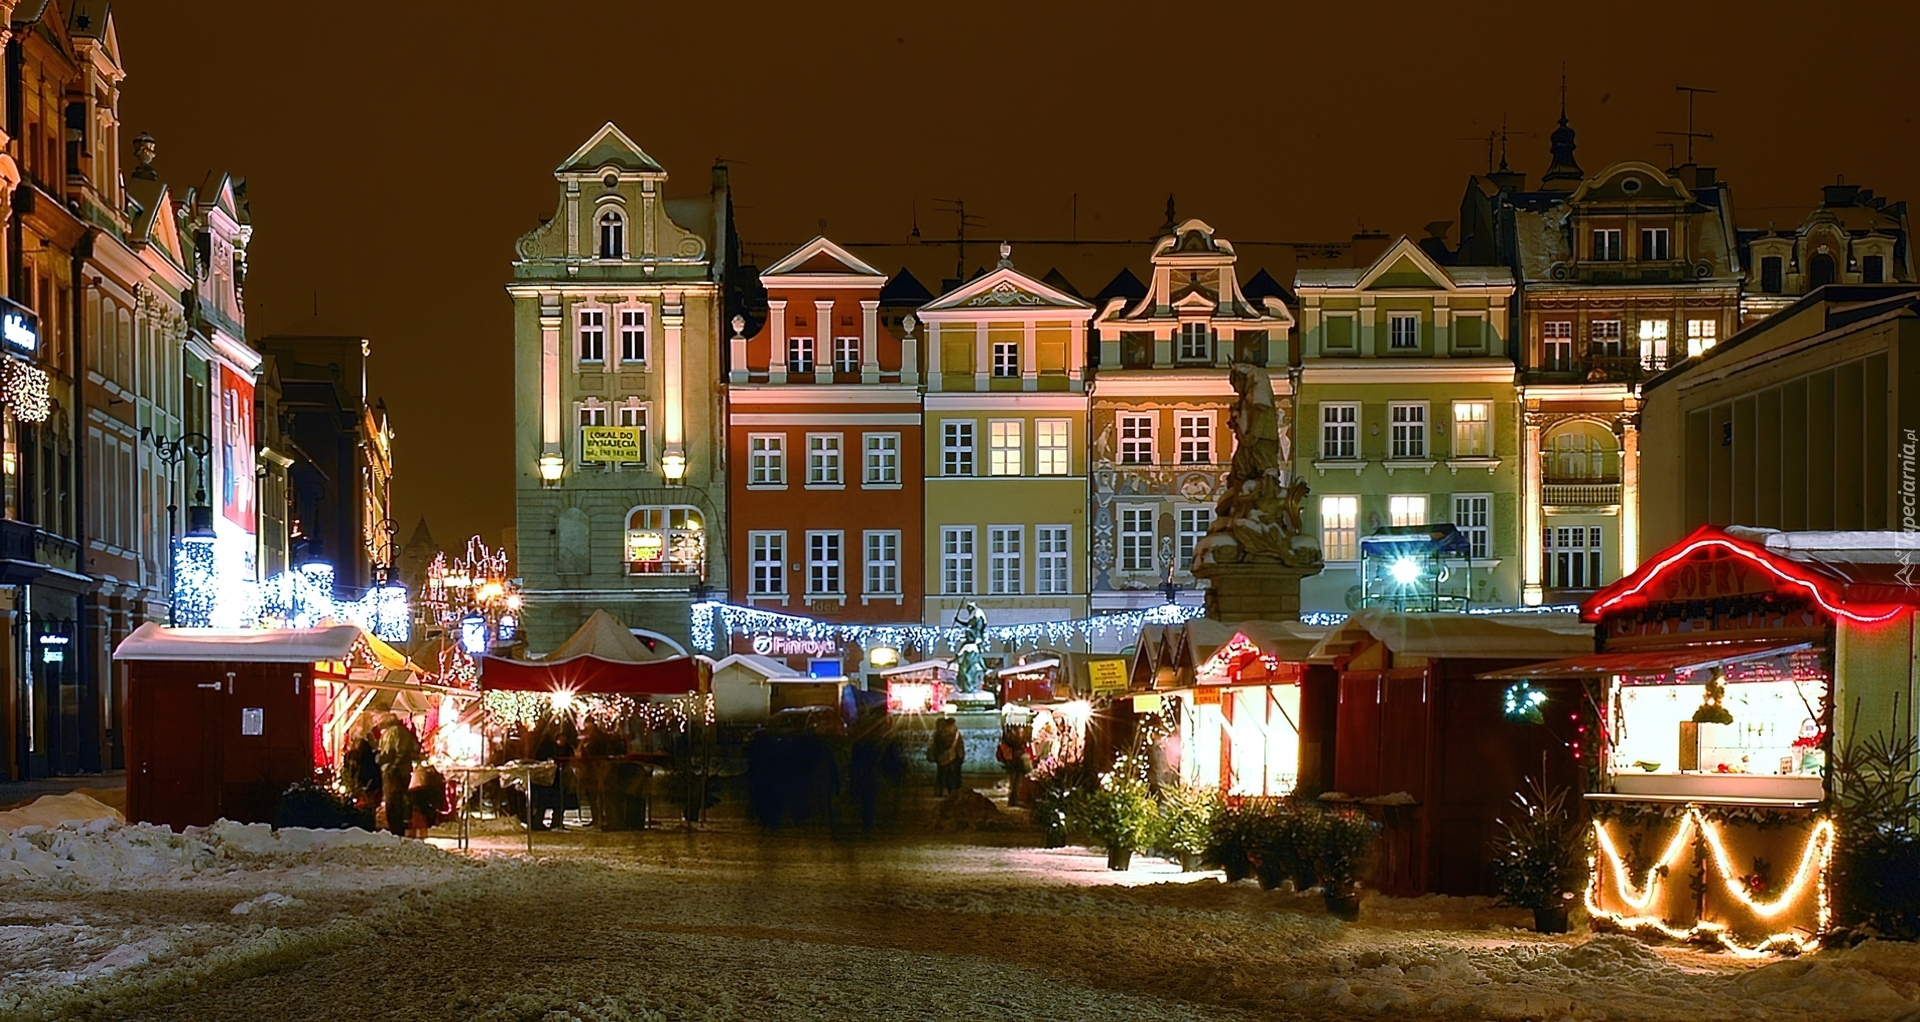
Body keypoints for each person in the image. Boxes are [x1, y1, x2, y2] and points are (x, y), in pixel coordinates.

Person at [374, 714, 422, 837]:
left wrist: (392, 767)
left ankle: (397, 830)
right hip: (395, 771)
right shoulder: (394, 733)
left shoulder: (396, 733)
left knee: (394, 802)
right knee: (394, 801)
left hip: (396, 772)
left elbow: (401, 752)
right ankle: (396, 829)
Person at [996, 723, 1033, 807]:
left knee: (1015, 780)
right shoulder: (1011, 735)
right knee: (1016, 780)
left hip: (1013, 760)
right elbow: (1014, 743)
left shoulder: (1010, 733)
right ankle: (1014, 799)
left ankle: (1013, 799)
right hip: (1015, 760)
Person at [407, 762, 446, 839]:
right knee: (419, 813)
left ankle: (418, 833)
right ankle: (420, 833)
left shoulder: (420, 771)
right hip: (420, 790)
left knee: (418, 813)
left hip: (417, 790)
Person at [929, 717, 965, 796]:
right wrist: (961, 757)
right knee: (954, 776)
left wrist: (936, 756)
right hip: (953, 757)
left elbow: (934, 746)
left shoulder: (937, 734)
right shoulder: (956, 734)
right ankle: (954, 792)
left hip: (942, 758)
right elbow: (960, 747)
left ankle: (940, 792)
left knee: (941, 775)